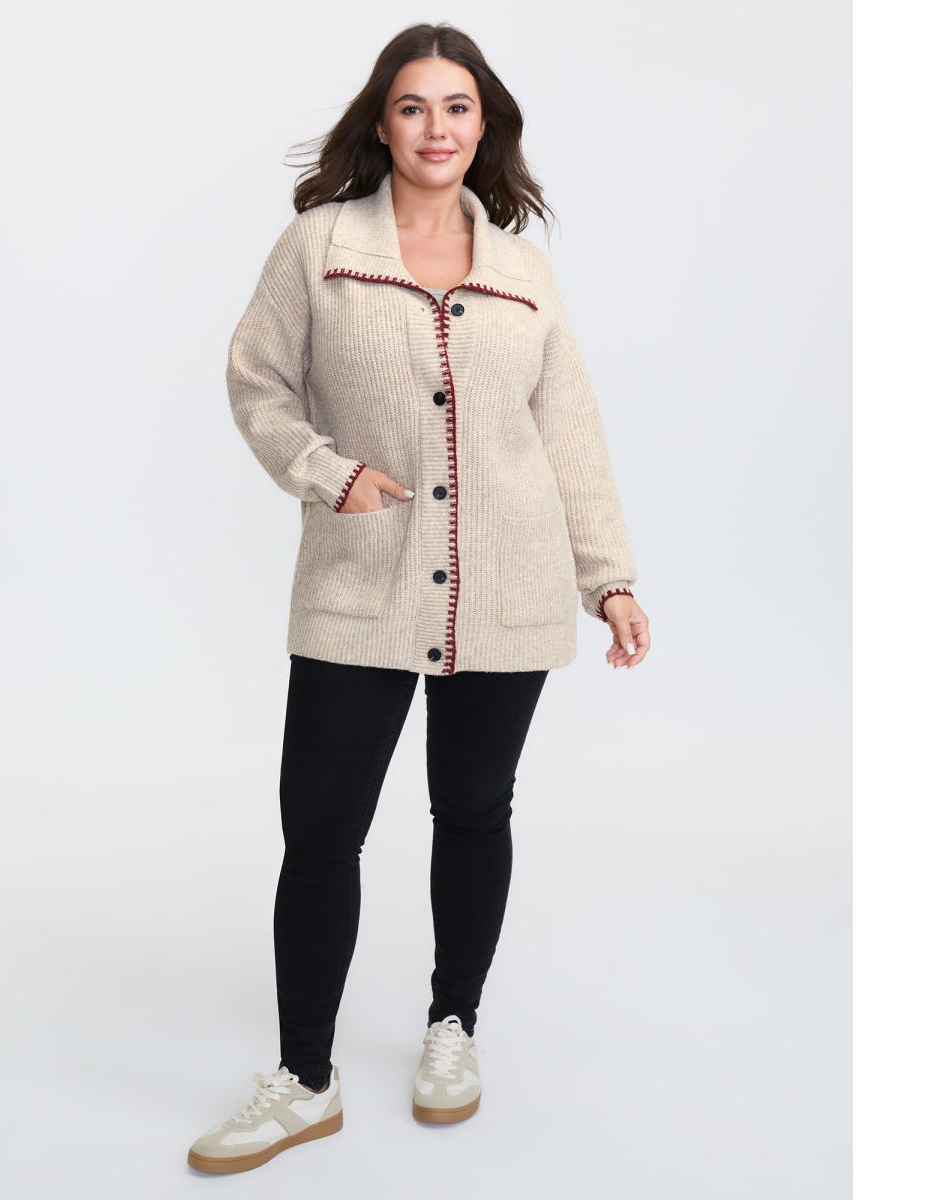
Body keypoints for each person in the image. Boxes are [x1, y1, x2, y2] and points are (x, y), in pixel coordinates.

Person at [188, 21, 651, 1175]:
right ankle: (305, 1081)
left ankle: (455, 1024)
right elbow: (257, 383)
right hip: (361, 580)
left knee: (475, 811)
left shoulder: (524, 272)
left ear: (484, 126)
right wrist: (326, 472)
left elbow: (569, 432)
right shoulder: (319, 247)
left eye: (456, 107)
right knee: (320, 830)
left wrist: (609, 577)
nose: (435, 127)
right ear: (382, 122)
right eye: (412, 106)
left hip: (509, 583)